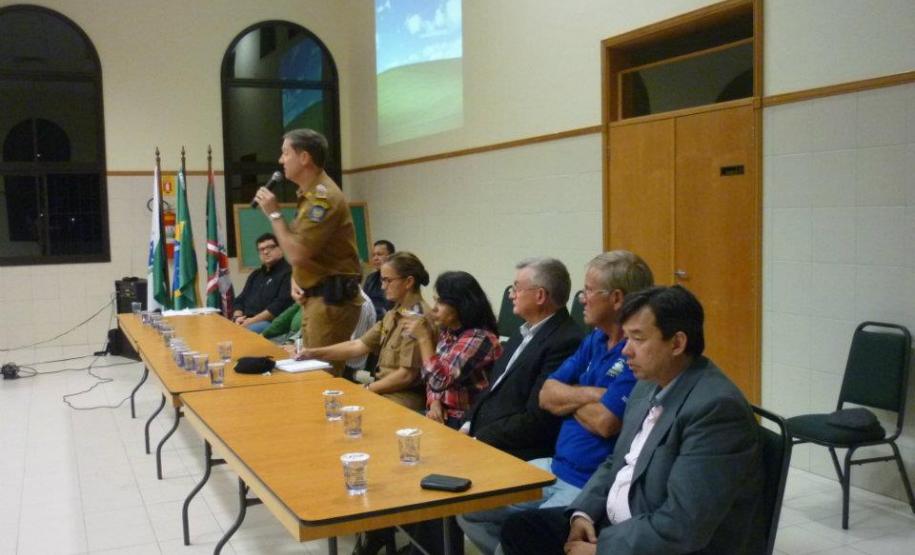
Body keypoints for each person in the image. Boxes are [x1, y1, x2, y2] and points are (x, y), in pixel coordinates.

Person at [500, 285, 765, 555]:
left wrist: (601, 549)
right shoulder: (648, 384)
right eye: (626, 338)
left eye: (637, 338)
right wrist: (582, 513)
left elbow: (683, 526)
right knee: (520, 529)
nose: (626, 351)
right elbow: (616, 461)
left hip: (658, 544)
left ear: (677, 343)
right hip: (621, 525)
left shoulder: (715, 410)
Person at [459, 251, 654, 555]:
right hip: (553, 465)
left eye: (589, 290)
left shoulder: (637, 354)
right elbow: (546, 395)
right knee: (469, 508)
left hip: (586, 481)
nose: (582, 299)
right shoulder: (594, 340)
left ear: (616, 298)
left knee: (518, 538)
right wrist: (593, 393)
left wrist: (572, 393)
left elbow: (605, 423)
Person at [253, 128, 363, 377]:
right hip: (315, 298)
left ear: (304, 158)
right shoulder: (309, 194)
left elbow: (297, 253)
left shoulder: (323, 199)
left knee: (318, 378)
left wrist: (274, 213)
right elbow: (308, 248)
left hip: (331, 302)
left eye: (285, 153)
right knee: (307, 374)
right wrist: (296, 277)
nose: (281, 160)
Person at [460, 257, 584, 460]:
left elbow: (537, 419)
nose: (511, 295)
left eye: (516, 288)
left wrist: (479, 438)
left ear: (540, 295)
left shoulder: (566, 341)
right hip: (482, 436)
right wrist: (467, 425)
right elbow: (493, 388)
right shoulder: (521, 332)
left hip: (515, 451)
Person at [297, 251, 436, 410]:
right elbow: (358, 345)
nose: (383, 286)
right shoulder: (393, 314)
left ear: (408, 282)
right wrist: (312, 352)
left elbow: (406, 376)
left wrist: (366, 389)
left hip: (403, 396)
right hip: (384, 390)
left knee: (339, 409)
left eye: (387, 281)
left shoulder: (417, 319)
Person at [401, 270, 503, 429]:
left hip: (468, 420)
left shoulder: (479, 338)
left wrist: (423, 338)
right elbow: (431, 375)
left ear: (460, 305)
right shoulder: (448, 331)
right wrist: (434, 401)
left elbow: (439, 380)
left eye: (441, 303)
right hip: (444, 413)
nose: (434, 309)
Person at [268, 288, 377, 373]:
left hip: (345, 370)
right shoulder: (324, 296)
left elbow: (349, 349)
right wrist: (297, 347)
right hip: (315, 359)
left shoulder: (360, 304)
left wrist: (309, 353)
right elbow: (304, 330)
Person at [230, 233, 293, 334]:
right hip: (246, 320)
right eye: (261, 249)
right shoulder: (256, 275)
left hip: (270, 322)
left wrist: (249, 322)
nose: (266, 252)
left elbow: (277, 308)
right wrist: (237, 317)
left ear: (281, 249)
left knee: (239, 333)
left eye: (270, 247)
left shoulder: (289, 273)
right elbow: (240, 299)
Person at [363, 239, 395, 320]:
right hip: (371, 320)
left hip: (391, 320)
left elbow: (404, 309)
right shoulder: (370, 279)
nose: (375, 258)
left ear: (391, 256)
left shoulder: (399, 278)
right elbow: (364, 304)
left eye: (379, 254)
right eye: (373, 255)